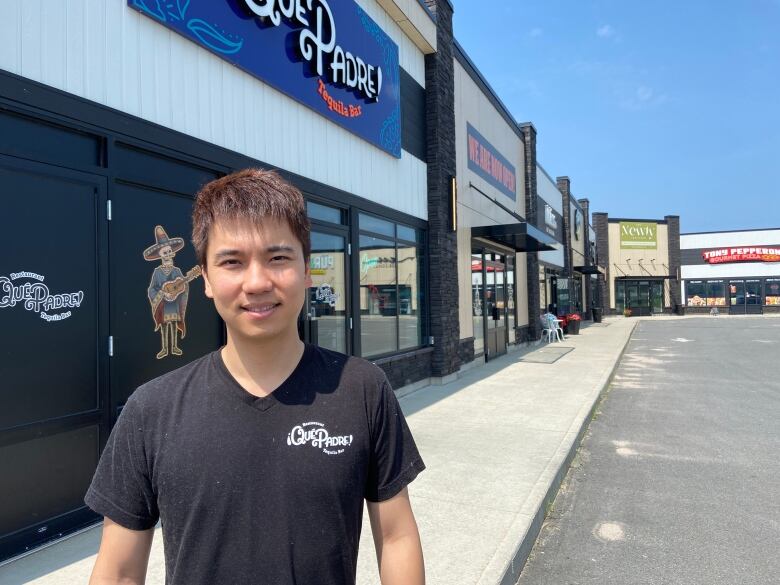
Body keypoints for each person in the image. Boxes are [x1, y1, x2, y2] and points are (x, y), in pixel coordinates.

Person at [86, 169, 426, 585]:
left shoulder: (363, 390)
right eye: (232, 261)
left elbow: (396, 537)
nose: (257, 282)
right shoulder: (151, 409)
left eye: (278, 257)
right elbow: (118, 571)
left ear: (306, 270)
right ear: (207, 280)